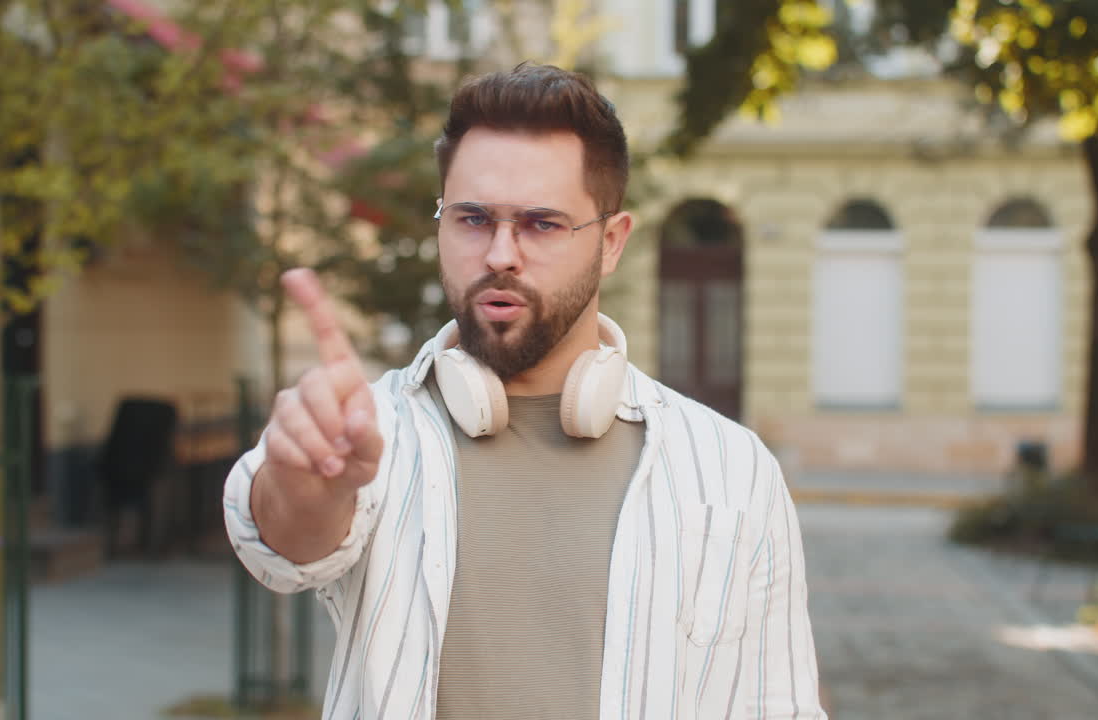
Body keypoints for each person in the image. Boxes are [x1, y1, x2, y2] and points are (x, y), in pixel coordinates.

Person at [223, 63, 825, 720]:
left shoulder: (731, 469)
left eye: (541, 223)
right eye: (473, 218)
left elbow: (779, 705)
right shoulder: (375, 431)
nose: (500, 254)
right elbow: (281, 546)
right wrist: (308, 483)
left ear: (612, 242)